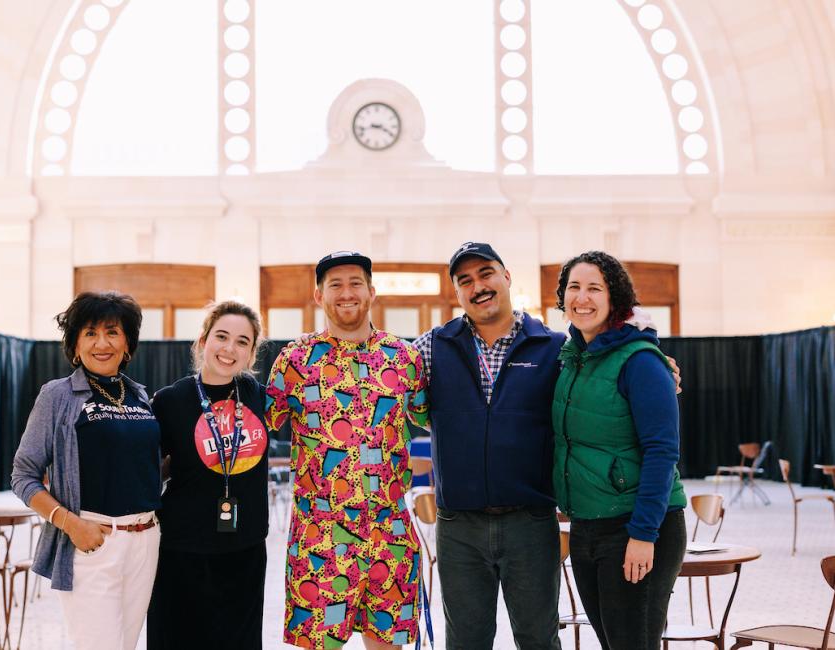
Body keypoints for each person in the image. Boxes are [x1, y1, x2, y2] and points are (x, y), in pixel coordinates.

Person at [265, 251, 429, 650]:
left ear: (372, 292)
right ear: (318, 296)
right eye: (335, 285)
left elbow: (439, 421)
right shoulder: (294, 361)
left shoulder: (404, 358)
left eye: (356, 283)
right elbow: (255, 427)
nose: (346, 293)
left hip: (389, 536)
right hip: (320, 539)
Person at [412, 242, 565, 650]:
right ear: (457, 293)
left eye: (486, 274)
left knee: (539, 640)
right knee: (466, 642)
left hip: (530, 524)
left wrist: (657, 364)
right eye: (465, 281)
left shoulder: (554, 347)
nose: (478, 286)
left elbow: (600, 381)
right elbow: (379, 383)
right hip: (459, 527)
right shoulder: (431, 347)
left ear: (507, 277)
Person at [11, 291, 161, 650]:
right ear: (75, 345)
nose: (102, 343)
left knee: (125, 644)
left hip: (145, 540)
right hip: (92, 540)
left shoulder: (141, 396)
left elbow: (145, 468)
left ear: (127, 343)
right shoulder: (58, 396)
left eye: (112, 332)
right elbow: (23, 475)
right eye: (90, 333)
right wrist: (71, 524)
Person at [552, 251, 686, 649]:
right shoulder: (572, 359)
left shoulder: (641, 360)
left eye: (595, 288)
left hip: (637, 526)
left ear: (615, 299)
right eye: (574, 287)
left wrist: (643, 534)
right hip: (587, 525)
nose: (582, 298)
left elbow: (662, 451)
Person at [147, 300, 270, 649]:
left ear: (251, 353)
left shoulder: (262, 399)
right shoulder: (169, 401)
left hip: (245, 550)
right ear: (203, 341)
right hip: (182, 550)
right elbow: (148, 470)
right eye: (222, 336)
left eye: (242, 341)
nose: (230, 348)